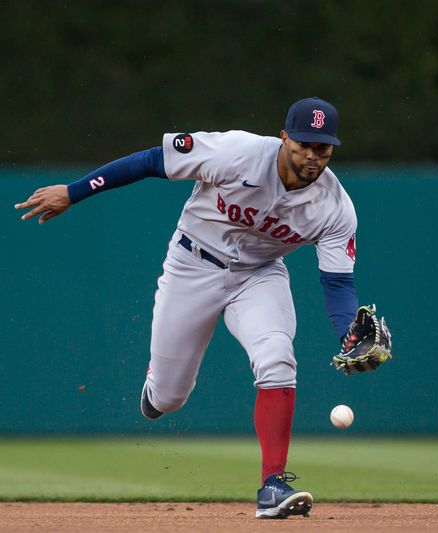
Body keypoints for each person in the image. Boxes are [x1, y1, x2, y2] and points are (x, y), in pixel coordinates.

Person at [16, 97, 391, 519]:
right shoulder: (237, 152)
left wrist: (348, 333)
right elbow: (150, 161)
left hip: (259, 275)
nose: (311, 155)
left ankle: (271, 486)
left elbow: (337, 282)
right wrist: (73, 192)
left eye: (322, 148)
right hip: (192, 265)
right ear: (284, 137)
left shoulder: (335, 207)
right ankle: (157, 388)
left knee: (277, 358)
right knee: (168, 399)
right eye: (303, 143)